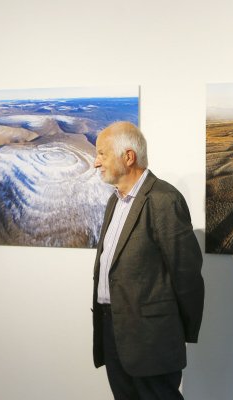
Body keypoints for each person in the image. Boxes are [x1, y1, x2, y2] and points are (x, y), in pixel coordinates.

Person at [92, 121, 204, 400]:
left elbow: (186, 273)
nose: (96, 162)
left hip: (153, 337)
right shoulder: (114, 201)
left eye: (102, 154)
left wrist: (177, 331)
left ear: (128, 157)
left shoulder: (164, 199)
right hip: (112, 330)